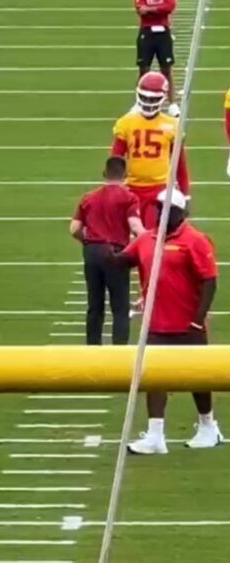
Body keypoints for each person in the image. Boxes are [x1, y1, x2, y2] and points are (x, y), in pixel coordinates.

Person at [107, 189, 220, 454]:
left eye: (169, 208)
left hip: (187, 324)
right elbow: (123, 260)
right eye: (160, 207)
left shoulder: (195, 241)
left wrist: (197, 319)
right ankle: (156, 435)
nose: (163, 212)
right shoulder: (148, 238)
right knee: (154, 377)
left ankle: (208, 426)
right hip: (156, 323)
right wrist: (103, 248)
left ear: (182, 213)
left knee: (199, 377)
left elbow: (210, 281)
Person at [70, 157, 145, 345]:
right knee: (120, 308)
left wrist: (88, 242)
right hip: (115, 254)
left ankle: (92, 349)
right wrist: (150, 239)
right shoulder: (129, 198)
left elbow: (74, 228)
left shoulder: (88, 197)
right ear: (125, 175)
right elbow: (135, 226)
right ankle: (119, 352)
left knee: (94, 306)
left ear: (104, 174)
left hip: (92, 252)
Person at [111, 71, 190, 229]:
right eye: (145, 97)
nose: (148, 101)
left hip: (159, 190)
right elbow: (115, 161)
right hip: (131, 189)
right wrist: (114, 188)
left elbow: (180, 164)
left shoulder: (173, 126)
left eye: (152, 98)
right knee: (127, 237)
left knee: (154, 236)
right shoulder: (126, 123)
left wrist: (185, 194)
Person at [134, 0, 179, 115]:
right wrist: (158, 9)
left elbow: (170, 6)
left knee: (166, 69)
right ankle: (139, 102)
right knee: (143, 68)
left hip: (163, 31)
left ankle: (172, 104)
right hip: (146, 30)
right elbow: (140, 9)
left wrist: (150, 9)